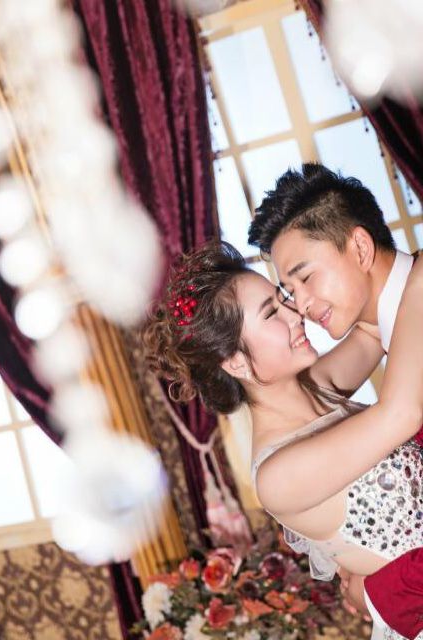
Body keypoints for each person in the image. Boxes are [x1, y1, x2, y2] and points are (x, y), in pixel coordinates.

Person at [143, 240, 423, 640]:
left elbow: (375, 323)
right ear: (236, 362)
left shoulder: (320, 385)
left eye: (283, 298)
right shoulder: (278, 475)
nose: (296, 313)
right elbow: (402, 414)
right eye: (272, 313)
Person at [248, 163, 423, 638]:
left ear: (360, 248)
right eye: (288, 292)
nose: (300, 307)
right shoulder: (393, 327)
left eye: (305, 278)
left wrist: (382, 591)